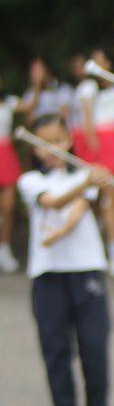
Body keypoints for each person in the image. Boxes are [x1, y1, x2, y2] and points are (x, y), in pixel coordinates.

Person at [17, 116, 114, 406]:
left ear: (69, 141)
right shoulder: (29, 181)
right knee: (56, 350)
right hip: (47, 275)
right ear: (35, 149)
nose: (52, 149)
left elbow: (76, 210)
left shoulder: (82, 176)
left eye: (58, 140)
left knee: (94, 346)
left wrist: (61, 230)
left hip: (86, 269)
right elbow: (53, 203)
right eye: (44, 143)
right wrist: (89, 180)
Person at [72, 48, 114, 277]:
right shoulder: (88, 88)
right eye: (95, 59)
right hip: (104, 145)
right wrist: (95, 155)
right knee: (110, 199)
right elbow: (88, 124)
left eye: (103, 58)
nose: (99, 63)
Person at [0, 83, 21, 273]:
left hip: (5, 153)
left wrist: (37, 84)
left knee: (8, 207)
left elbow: (30, 105)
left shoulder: (9, 102)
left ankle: (4, 249)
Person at [17, 57, 72, 125]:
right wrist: (37, 88)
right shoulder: (30, 94)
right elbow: (29, 120)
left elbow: (65, 113)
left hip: (58, 126)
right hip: (39, 129)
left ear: (47, 70)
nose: (35, 74)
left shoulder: (62, 88)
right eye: (33, 71)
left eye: (38, 70)